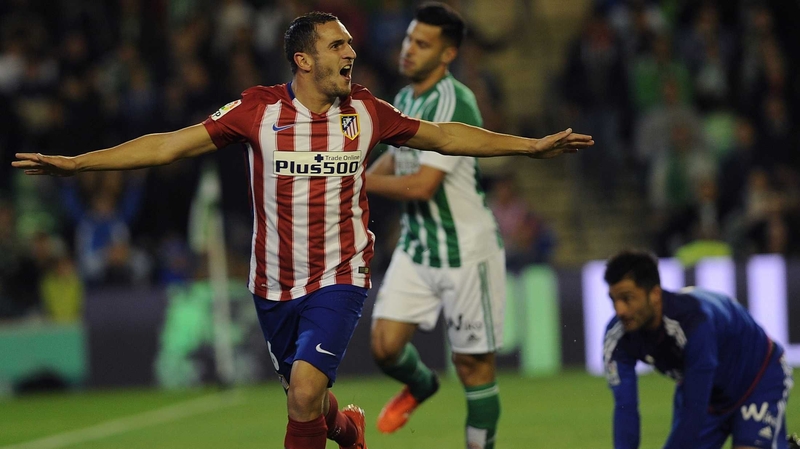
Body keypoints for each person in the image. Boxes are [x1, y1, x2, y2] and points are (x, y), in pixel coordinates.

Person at [13, 11, 594, 449]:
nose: (351, 51)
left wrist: (530, 146)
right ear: (304, 60)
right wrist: (78, 163)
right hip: (272, 284)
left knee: (304, 393)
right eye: (337, 44)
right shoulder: (256, 111)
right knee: (307, 398)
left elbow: (444, 136)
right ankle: (348, 428)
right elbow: (167, 145)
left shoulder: (365, 111)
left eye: (349, 42)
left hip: (341, 275)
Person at [365, 4, 504, 448]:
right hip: (419, 246)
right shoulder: (405, 99)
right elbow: (399, 156)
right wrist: (362, 172)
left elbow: (424, 184)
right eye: (409, 38)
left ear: (447, 55)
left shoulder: (454, 101)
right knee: (385, 347)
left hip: (466, 250)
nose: (408, 50)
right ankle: (422, 385)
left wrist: (358, 182)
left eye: (422, 44)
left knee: (473, 366)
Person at [602, 249, 793, 449]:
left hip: (757, 380)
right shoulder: (617, 337)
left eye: (627, 298)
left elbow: (694, 410)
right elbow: (625, 407)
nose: (619, 310)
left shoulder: (694, 323)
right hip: (708, 396)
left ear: (655, 294)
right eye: (613, 300)